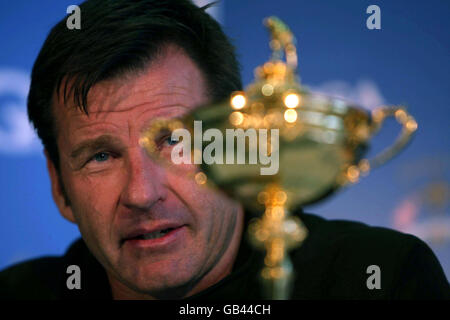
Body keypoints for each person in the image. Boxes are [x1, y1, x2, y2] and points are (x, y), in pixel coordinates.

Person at [0, 0, 448, 300]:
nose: (141, 192)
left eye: (175, 139)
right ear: (59, 187)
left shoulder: (378, 277)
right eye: (101, 156)